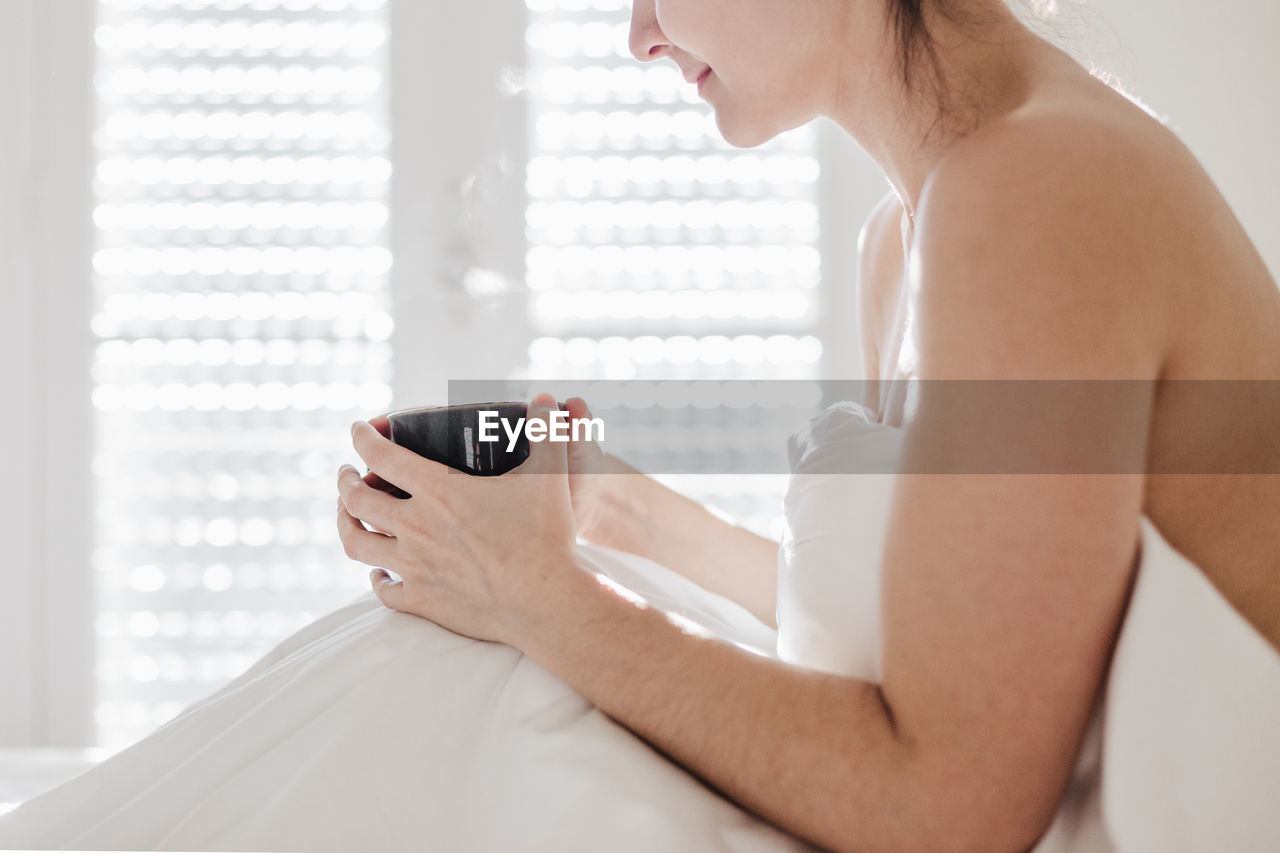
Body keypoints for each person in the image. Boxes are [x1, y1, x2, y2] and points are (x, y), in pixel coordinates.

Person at [4, 1, 1279, 851]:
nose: (637, 32)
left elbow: (951, 803)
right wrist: (617, 514)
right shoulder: (910, 231)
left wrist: (537, 595)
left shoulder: (1038, 184)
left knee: (475, 697)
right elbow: (964, 647)